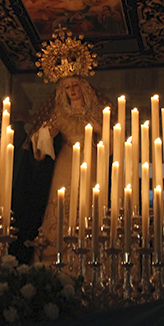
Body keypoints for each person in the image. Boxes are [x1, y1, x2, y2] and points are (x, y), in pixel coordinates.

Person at [27, 75, 110, 263]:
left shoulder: (95, 111)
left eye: (75, 85)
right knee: (61, 200)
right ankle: (55, 254)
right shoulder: (61, 112)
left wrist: (98, 128)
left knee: (89, 199)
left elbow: (111, 139)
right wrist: (45, 132)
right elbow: (45, 135)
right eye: (67, 87)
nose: (72, 90)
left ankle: (90, 253)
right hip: (66, 159)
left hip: (91, 159)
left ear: (83, 88)